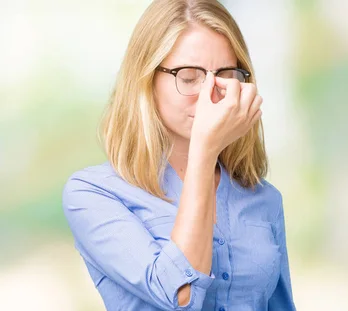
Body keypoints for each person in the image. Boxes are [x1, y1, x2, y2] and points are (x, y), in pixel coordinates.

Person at [61, 0, 296, 310]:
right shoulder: (94, 193)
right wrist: (205, 150)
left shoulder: (264, 199)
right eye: (188, 77)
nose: (209, 94)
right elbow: (179, 297)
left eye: (226, 75)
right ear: (146, 80)